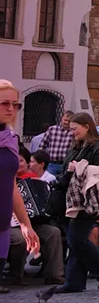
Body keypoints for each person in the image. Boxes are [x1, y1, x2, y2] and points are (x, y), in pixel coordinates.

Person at [57, 113, 99, 293]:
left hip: (88, 200)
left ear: (86, 126)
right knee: (75, 239)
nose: (72, 133)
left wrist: (78, 168)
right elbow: (66, 171)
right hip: (74, 199)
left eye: (74, 129)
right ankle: (74, 282)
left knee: (76, 239)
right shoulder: (77, 146)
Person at [0, 80, 41, 270]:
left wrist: (25, 224)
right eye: (4, 103)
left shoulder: (10, 139)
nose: (11, 109)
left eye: (15, 104)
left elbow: (11, 185)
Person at [40, 110, 76, 175]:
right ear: (61, 118)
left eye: (69, 121)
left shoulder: (74, 133)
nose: (66, 122)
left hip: (66, 165)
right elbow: (42, 145)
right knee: (50, 182)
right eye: (65, 120)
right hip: (51, 164)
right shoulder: (52, 129)